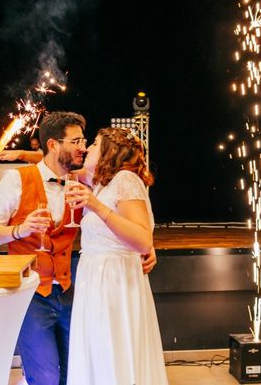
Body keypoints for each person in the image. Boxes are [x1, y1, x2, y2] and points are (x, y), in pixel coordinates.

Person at [0, 111, 87, 385]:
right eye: (76, 141)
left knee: (76, 371)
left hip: (68, 291)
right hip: (31, 294)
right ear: (53, 145)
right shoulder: (16, 181)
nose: (84, 147)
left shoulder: (78, 183)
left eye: (84, 140)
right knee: (45, 378)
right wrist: (20, 230)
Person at [65, 127, 168, 385]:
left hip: (115, 281)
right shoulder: (102, 183)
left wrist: (95, 206)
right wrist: (19, 153)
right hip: (96, 277)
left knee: (113, 350)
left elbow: (143, 239)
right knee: (99, 351)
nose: (88, 148)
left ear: (110, 151)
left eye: (95, 144)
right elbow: (55, 163)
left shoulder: (125, 179)